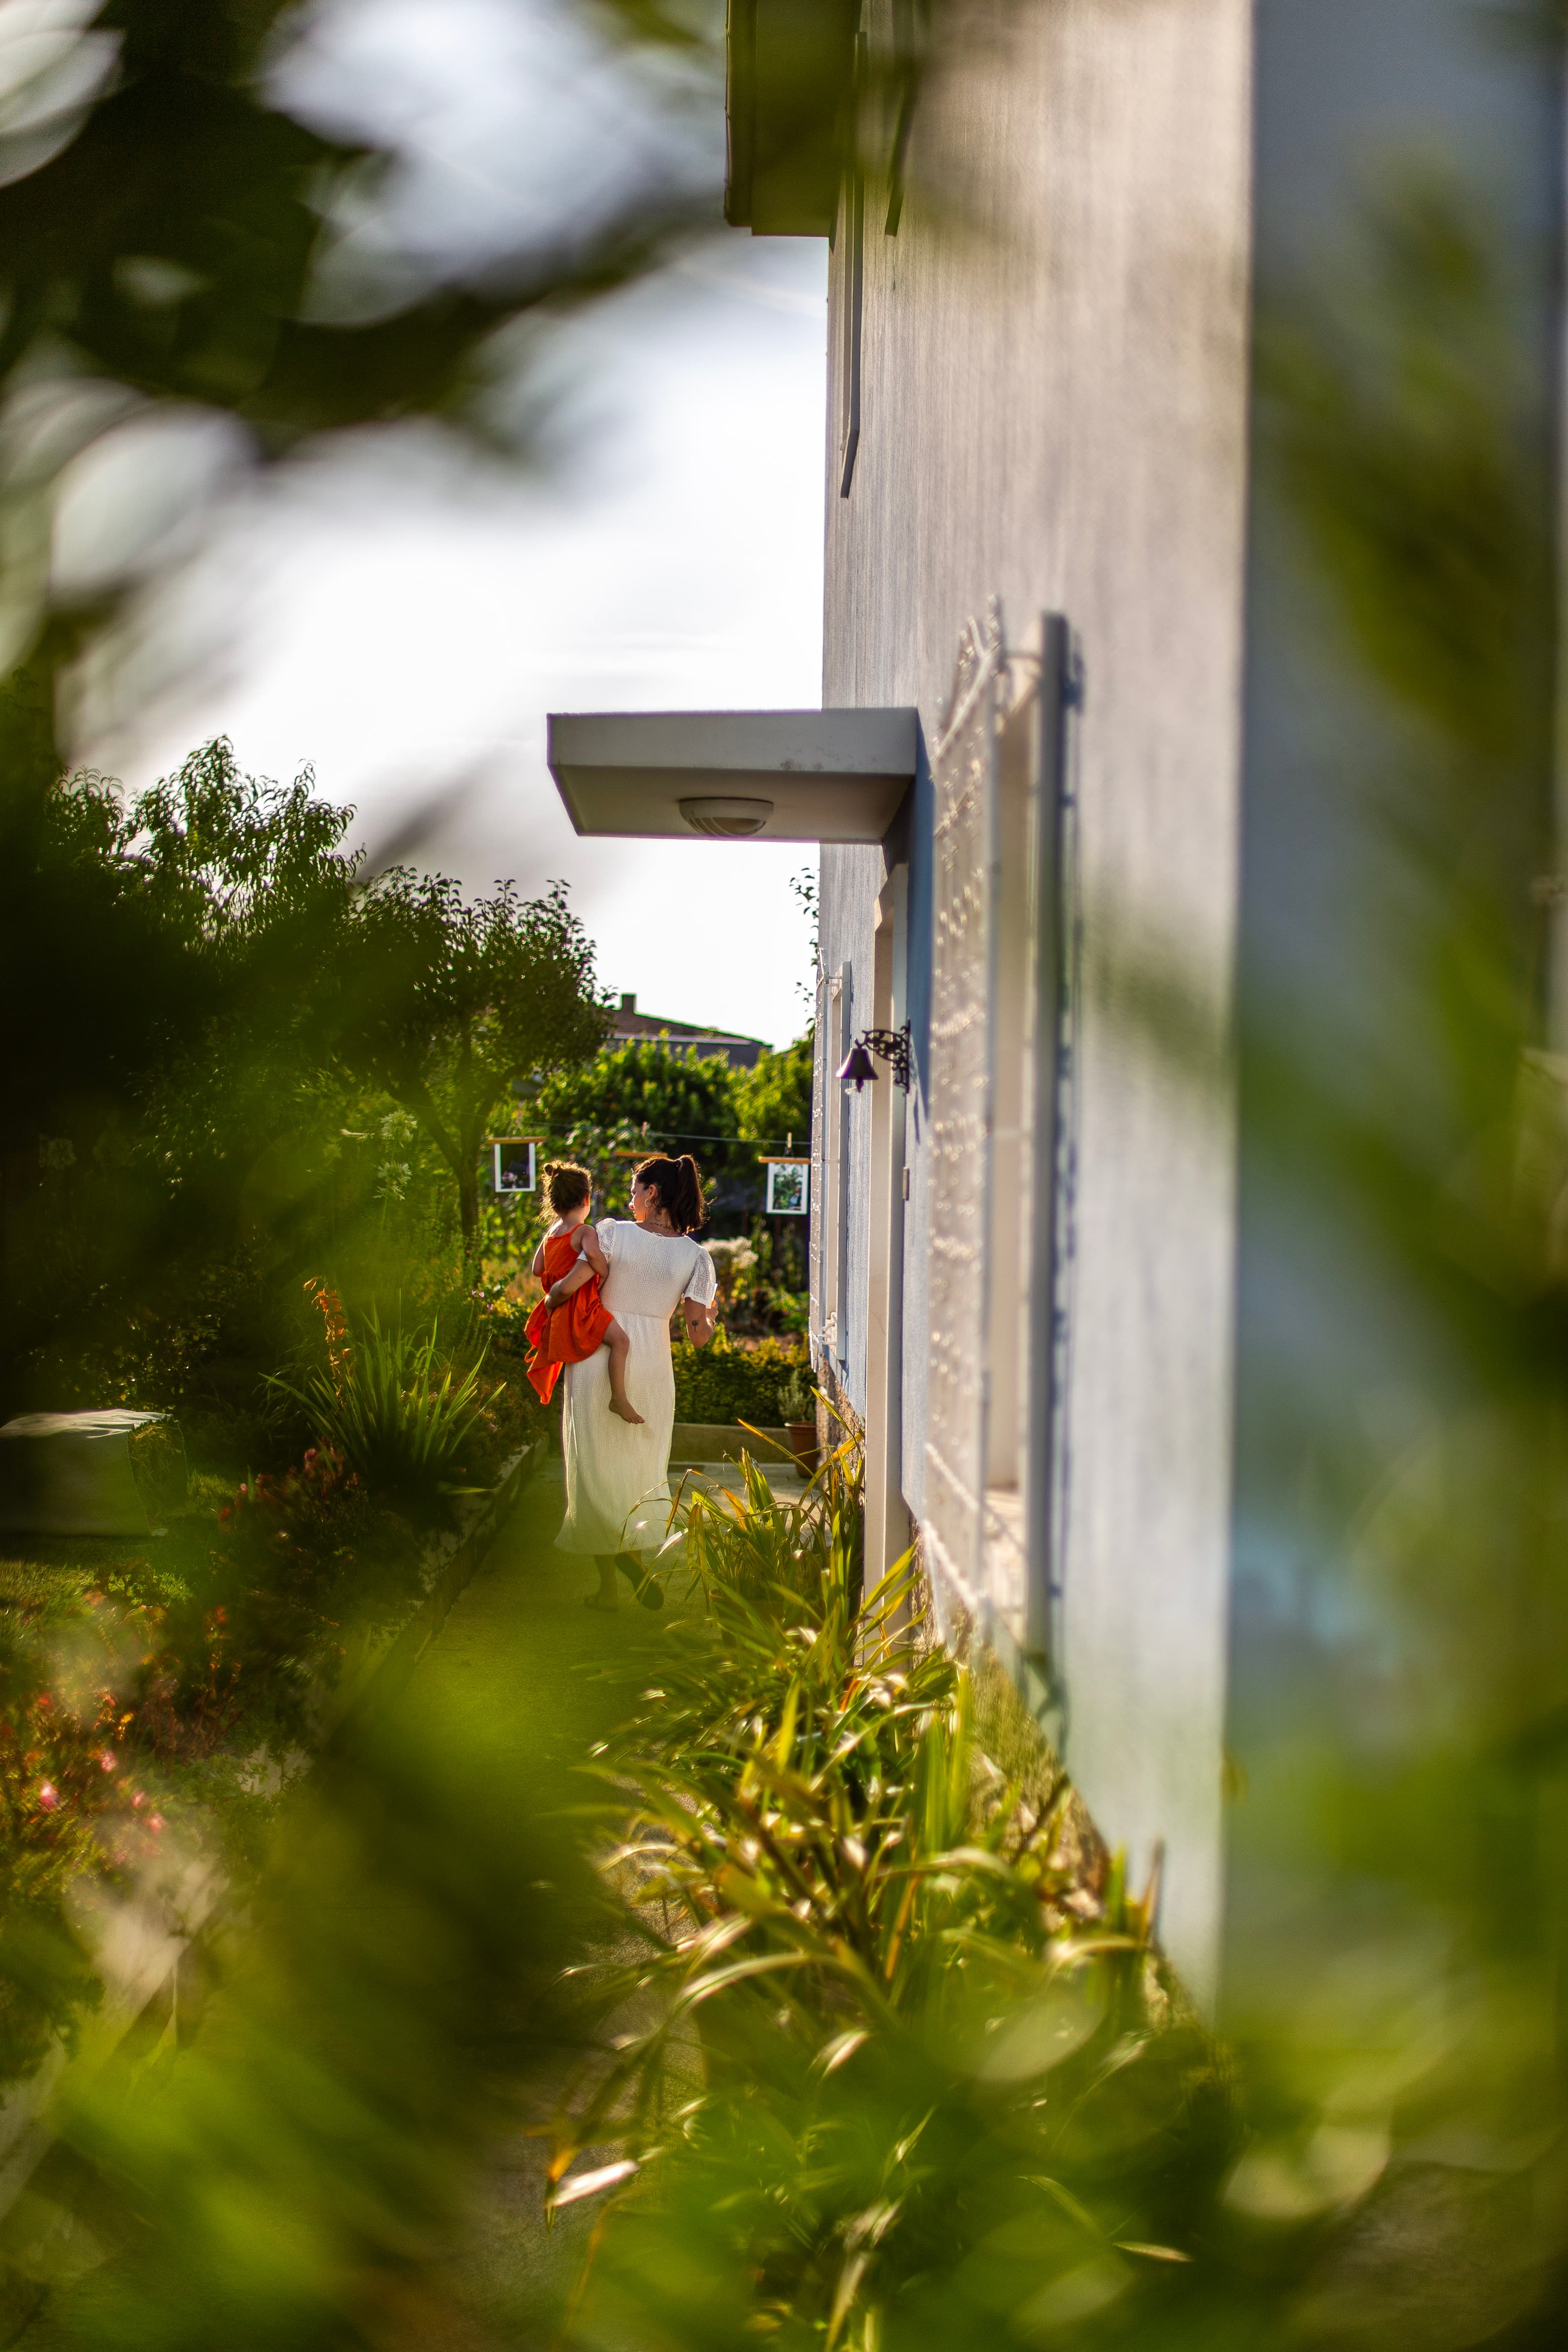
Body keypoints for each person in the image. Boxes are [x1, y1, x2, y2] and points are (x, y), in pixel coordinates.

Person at [551, 1152, 717, 1613]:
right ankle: (630, 1557)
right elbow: (698, 1336)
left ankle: (609, 1586)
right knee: (640, 1469)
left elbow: (577, 1279)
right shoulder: (697, 1257)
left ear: (653, 1193)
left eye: (634, 1190)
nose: (629, 1199)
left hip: (597, 1353)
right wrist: (711, 1320)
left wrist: (553, 1297)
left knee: (594, 1469)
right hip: (651, 1365)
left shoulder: (610, 1233)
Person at [524, 1162, 642, 1424]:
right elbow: (593, 1255)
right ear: (587, 1199)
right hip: (582, 1307)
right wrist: (605, 1272)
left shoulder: (551, 1234)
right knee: (621, 1342)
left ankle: (617, 1398)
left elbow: (537, 1269)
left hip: (558, 1312)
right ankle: (618, 1398)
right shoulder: (585, 1232)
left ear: (554, 1204)